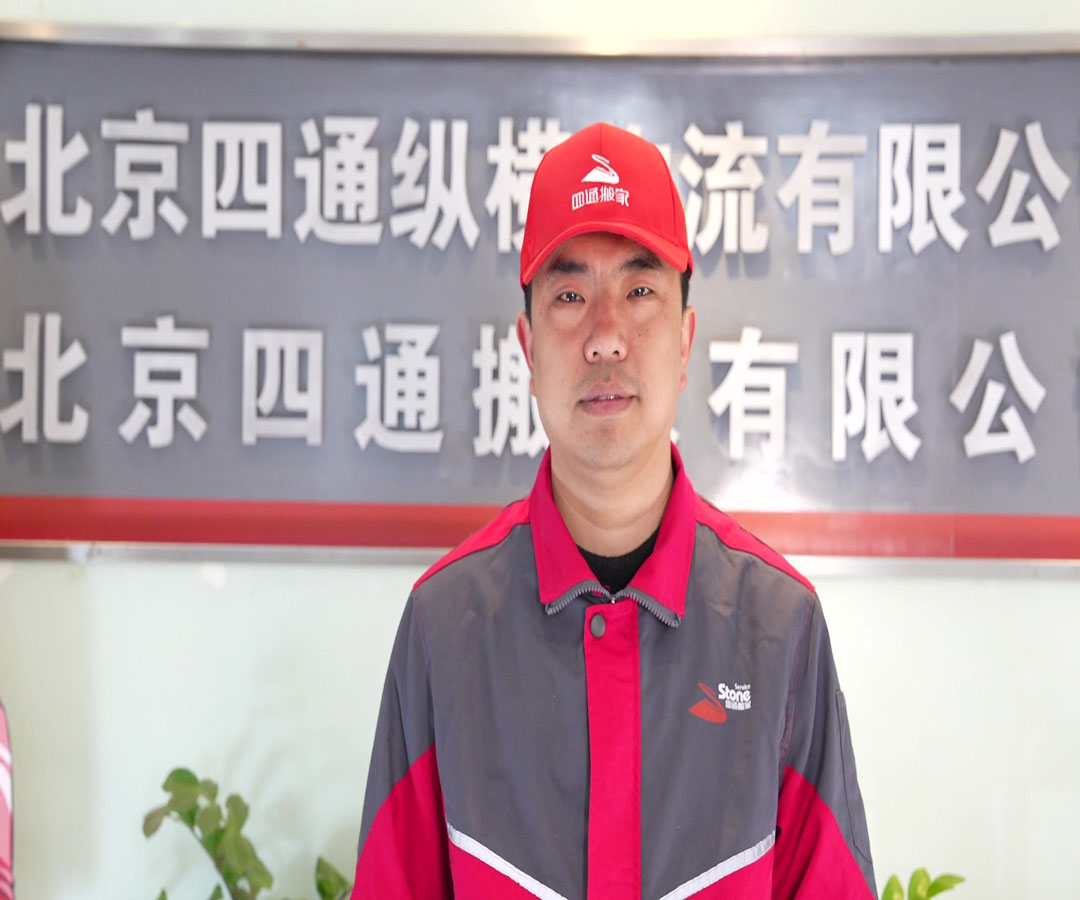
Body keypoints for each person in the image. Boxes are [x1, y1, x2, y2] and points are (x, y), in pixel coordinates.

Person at [350, 122, 876, 899]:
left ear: (686, 340)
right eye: (570, 295)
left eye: (639, 291)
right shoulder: (445, 628)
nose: (605, 337)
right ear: (528, 349)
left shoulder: (777, 627)